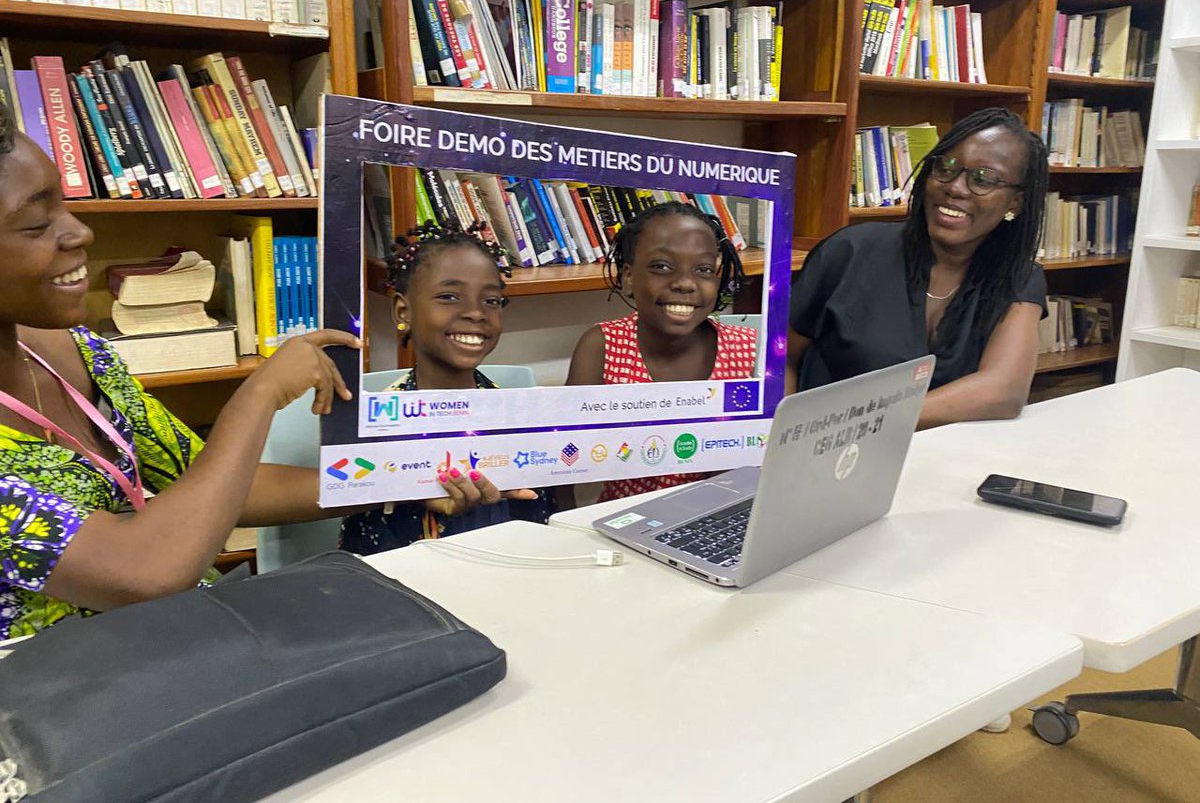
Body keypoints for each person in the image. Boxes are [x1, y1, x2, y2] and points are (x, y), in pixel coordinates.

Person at [0, 108, 361, 639]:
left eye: (64, 204)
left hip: (182, 645)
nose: (80, 230)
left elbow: (211, 483)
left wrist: (405, 482)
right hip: (56, 700)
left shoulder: (77, 353)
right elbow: (142, 572)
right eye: (36, 224)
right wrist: (258, 394)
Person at [785, 107, 1048, 429]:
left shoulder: (1018, 278)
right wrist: (784, 437)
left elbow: (1003, 390)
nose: (956, 187)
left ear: (1015, 203)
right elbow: (780, 357)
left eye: (983, 179)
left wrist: (860, 420)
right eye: (947, 167)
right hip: (824, 455)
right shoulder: (850, 251)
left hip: (935, 460)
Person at [338, 223, 552, 554]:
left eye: (491, 300)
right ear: (403, 311)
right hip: (398, 582)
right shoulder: (376, 422)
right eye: (449, 297)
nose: (475, 313)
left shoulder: (519, 418)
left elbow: (537, 524)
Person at [566, 201, 754, 501]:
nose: (684, 283)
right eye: (662, 267)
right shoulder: (601, 347)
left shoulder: (751, 352)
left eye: (703, 269)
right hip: (623, 521)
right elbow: (564, 455)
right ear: (628, 277)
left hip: (720, 517)